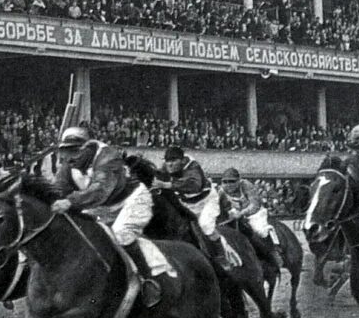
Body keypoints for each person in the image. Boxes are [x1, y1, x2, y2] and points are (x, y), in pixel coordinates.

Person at [51, 126, 160, 307]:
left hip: (132, 200)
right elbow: (57, 190)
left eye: (74, 151)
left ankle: (146, 281)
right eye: (65, 151)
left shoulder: (108, 157)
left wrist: (69, 202)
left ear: (88, 147)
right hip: (102, 206)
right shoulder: (68, 165)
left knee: (120, 234)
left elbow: (100, 190)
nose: (69, 157)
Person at [153, 145, 230, 269]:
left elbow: (194, 185)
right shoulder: (166, 167)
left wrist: (166, 185)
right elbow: (157, 175)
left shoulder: (193, 166)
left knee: (206, 225)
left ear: (182, 160)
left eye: (173, 161)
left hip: (206, 200)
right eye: (167, 161)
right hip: (188, 202)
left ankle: (222, 256)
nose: (170, 164)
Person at [217, 167, 282, 268]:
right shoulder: (221, 191)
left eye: (232, 181)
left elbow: (255, 204)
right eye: (225, 182)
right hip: (234, 215)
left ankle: (273, 251)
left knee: (260, 230)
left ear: (239, 181)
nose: (228, 185)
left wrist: (242, 213)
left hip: (254, 213)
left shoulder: (246, 185)